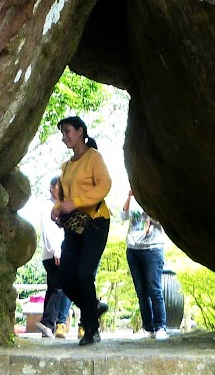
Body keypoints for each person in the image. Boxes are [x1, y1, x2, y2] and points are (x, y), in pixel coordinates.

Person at [51, 115, 111, 346]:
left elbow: (105, 185)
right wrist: (57, 209)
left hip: (96, 222)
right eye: (62, 133)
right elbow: (63, 197)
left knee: (84, 275)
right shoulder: (66, 166)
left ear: (80, 131)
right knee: (65, 278)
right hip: (73, 227)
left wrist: (76, 202)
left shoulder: (94, 157)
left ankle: (91, 328)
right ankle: (93, 306)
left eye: (67, 131)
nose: (64, 137)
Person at [122, 189, 170, 339]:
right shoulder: (132, 199)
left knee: (154, 289)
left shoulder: (155, 200)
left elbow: (161, 221)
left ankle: (160, 327)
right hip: (133, 249)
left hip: (152, 249)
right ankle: (147, 328)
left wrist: (148, 206)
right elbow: (123, 216)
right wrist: (129, 198)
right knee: (141, 292)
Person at [37, 177, 71, 338]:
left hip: (57, 252)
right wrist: (56, 250)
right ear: (51, 188)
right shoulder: (48, 206)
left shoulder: (62, 206)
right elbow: (47, 231)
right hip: (53, 254)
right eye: (58, 186)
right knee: (59, 287)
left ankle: (46, 328)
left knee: (52, 288)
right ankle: (47, 322)